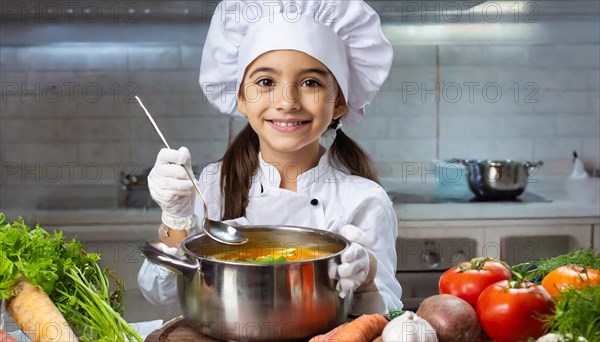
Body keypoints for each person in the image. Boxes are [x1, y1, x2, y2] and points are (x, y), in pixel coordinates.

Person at [138, 0, 403, 314]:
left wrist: (367, 275)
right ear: (240, 97)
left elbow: (387, 316)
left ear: (340, 101)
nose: (287, 102)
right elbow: (161, 292)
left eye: (311, 83)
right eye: (266, 82)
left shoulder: (365, 200)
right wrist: (175, 220)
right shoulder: (211, 186)